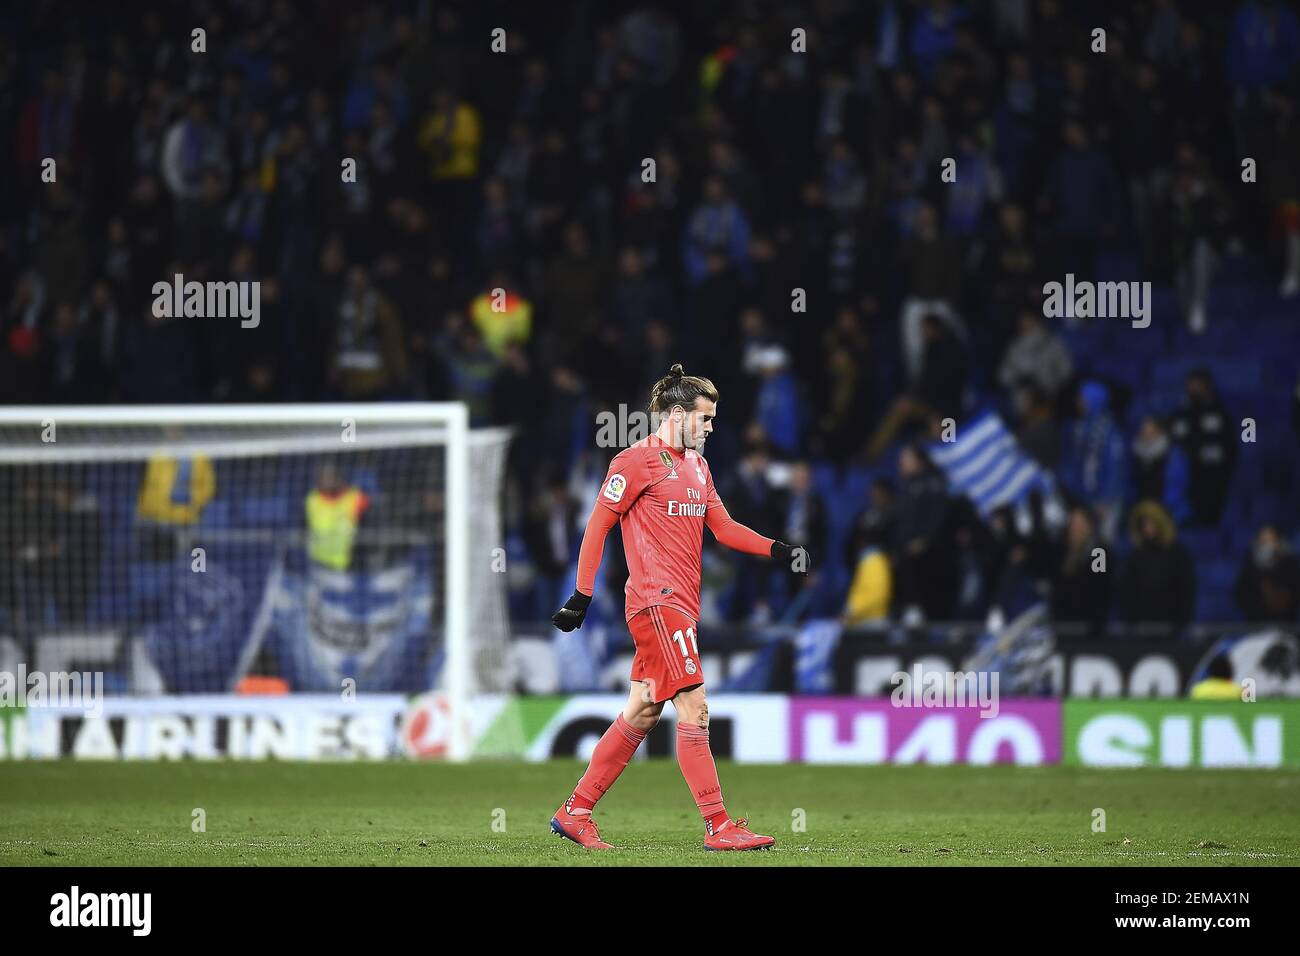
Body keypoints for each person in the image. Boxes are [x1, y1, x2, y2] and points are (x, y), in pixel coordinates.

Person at [548, 364, 808, 851]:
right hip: (655, 603)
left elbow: (724, 528)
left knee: (644, 710)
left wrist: (778, 549)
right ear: (676, 413)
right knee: (695, 707)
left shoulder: (698, 467)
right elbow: (598, 526)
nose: (711, 428)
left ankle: (575, 811)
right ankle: (718, 825)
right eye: (705, 419)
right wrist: (582, 595)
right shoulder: (633, 461)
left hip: (682, 606)